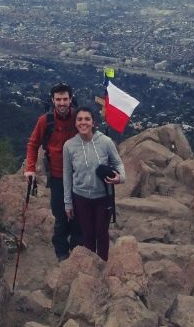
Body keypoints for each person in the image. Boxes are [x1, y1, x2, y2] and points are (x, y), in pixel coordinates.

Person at [24, 83, 83, 261]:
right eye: (58, 99)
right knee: (61, 216)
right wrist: (30, 169)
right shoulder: (46, 121)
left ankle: (77, 248)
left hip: (79, 175)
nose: (62, 103)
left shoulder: (78, 118)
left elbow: (91, 139)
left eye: (65, 99)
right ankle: (61, 252)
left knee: (79, 215)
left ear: (71, 100)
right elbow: (33, 144)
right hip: (57, 176)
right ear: (53, 100)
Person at [62, 107, 125, 261]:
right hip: (80, 197)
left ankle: (103, 263)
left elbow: (118, 163)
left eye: (87, 119)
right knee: (87, 234)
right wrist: (68, 203)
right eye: (80, 119)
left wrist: (120, 178)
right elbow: (67, 176)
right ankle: (91, 266)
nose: (83, 122)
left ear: (93, 122)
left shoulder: (105, 141)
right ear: (75, 123)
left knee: (102, 233)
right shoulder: (69, 146)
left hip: (103, 196)